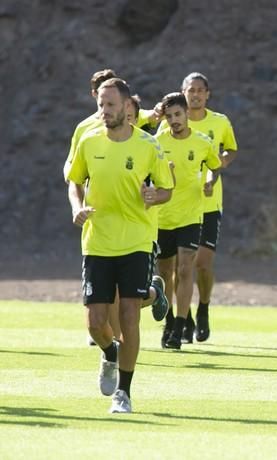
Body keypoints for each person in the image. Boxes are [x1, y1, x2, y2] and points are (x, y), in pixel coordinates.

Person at [66, 78, 174, 413]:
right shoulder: (88, 139)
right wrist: (77, 207)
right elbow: (74, 181)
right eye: (101, 104)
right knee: (96, 323)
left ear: (127, 108)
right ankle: (110, 353)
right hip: (97, 241)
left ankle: (123, 393)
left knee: (129, 315)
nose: (104, 111)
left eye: (110, 105)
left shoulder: (148, 145)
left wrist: (155, 195)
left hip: (137, 240)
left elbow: (166, 188)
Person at [158, 72, 238, 344]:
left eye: (200, 90)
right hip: (167, 211)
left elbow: (227, 153)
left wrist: (215, 170)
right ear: (182, 93)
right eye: (190, 90)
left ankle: (200, 311)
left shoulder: (217, 125)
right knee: (170, 271)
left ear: (207, 93)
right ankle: (182, 317)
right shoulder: (163, 134)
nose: (195, 94)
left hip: (206, 205)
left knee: (197, 265)